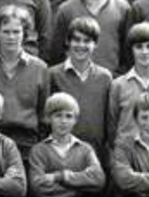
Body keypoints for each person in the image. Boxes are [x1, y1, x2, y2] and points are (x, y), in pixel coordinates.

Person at [0, 5, 48, 154]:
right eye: (6, 32)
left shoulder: (40, 69)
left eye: (16, 32)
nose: (11, 37)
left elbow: (43, 114)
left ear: (24, 34)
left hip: (28, 143)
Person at [48, 17, 113, 160]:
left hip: (96, 154)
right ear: (68, 41)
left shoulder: (105, 77)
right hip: (60, 153)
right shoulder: (53, 75)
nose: (81, 45)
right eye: (76, 40)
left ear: (95, 44)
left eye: (87, 41)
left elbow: (109, 120)